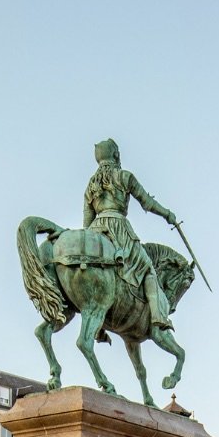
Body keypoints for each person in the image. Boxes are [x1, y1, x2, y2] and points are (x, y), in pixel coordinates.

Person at [82, 138, 179, 330]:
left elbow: (87, 220)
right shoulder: (124, 177)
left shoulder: (91, 185)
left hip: (95, 230)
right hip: (119, 228)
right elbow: (147, 203)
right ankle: (159, 317)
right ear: (116, 155)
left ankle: (99, 327)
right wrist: (167, 214)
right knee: (148, 268)